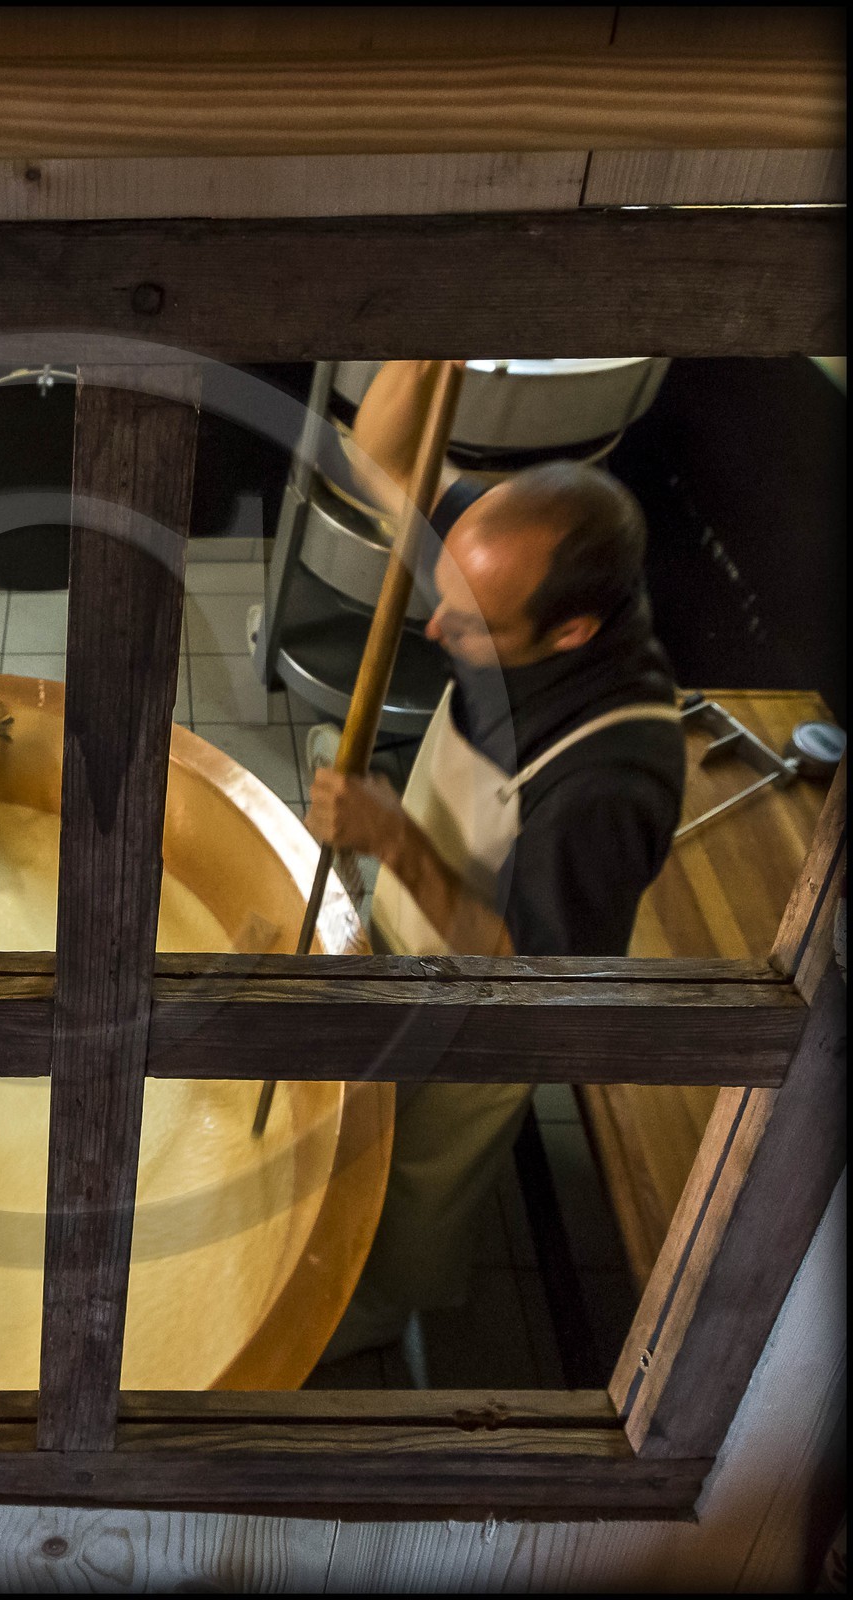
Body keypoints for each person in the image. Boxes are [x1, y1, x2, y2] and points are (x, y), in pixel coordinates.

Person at [308, 452, 687, 1362]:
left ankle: (376, 1315)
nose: (436, 625)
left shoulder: (609, 782)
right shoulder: (505, 547)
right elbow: (382, 447)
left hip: (482, 1011)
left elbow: (534, 972)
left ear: (570, 633)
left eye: (472, 625)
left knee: (417, 1182)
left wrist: (395, 838)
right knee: (358, 1126)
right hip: (408, 924)